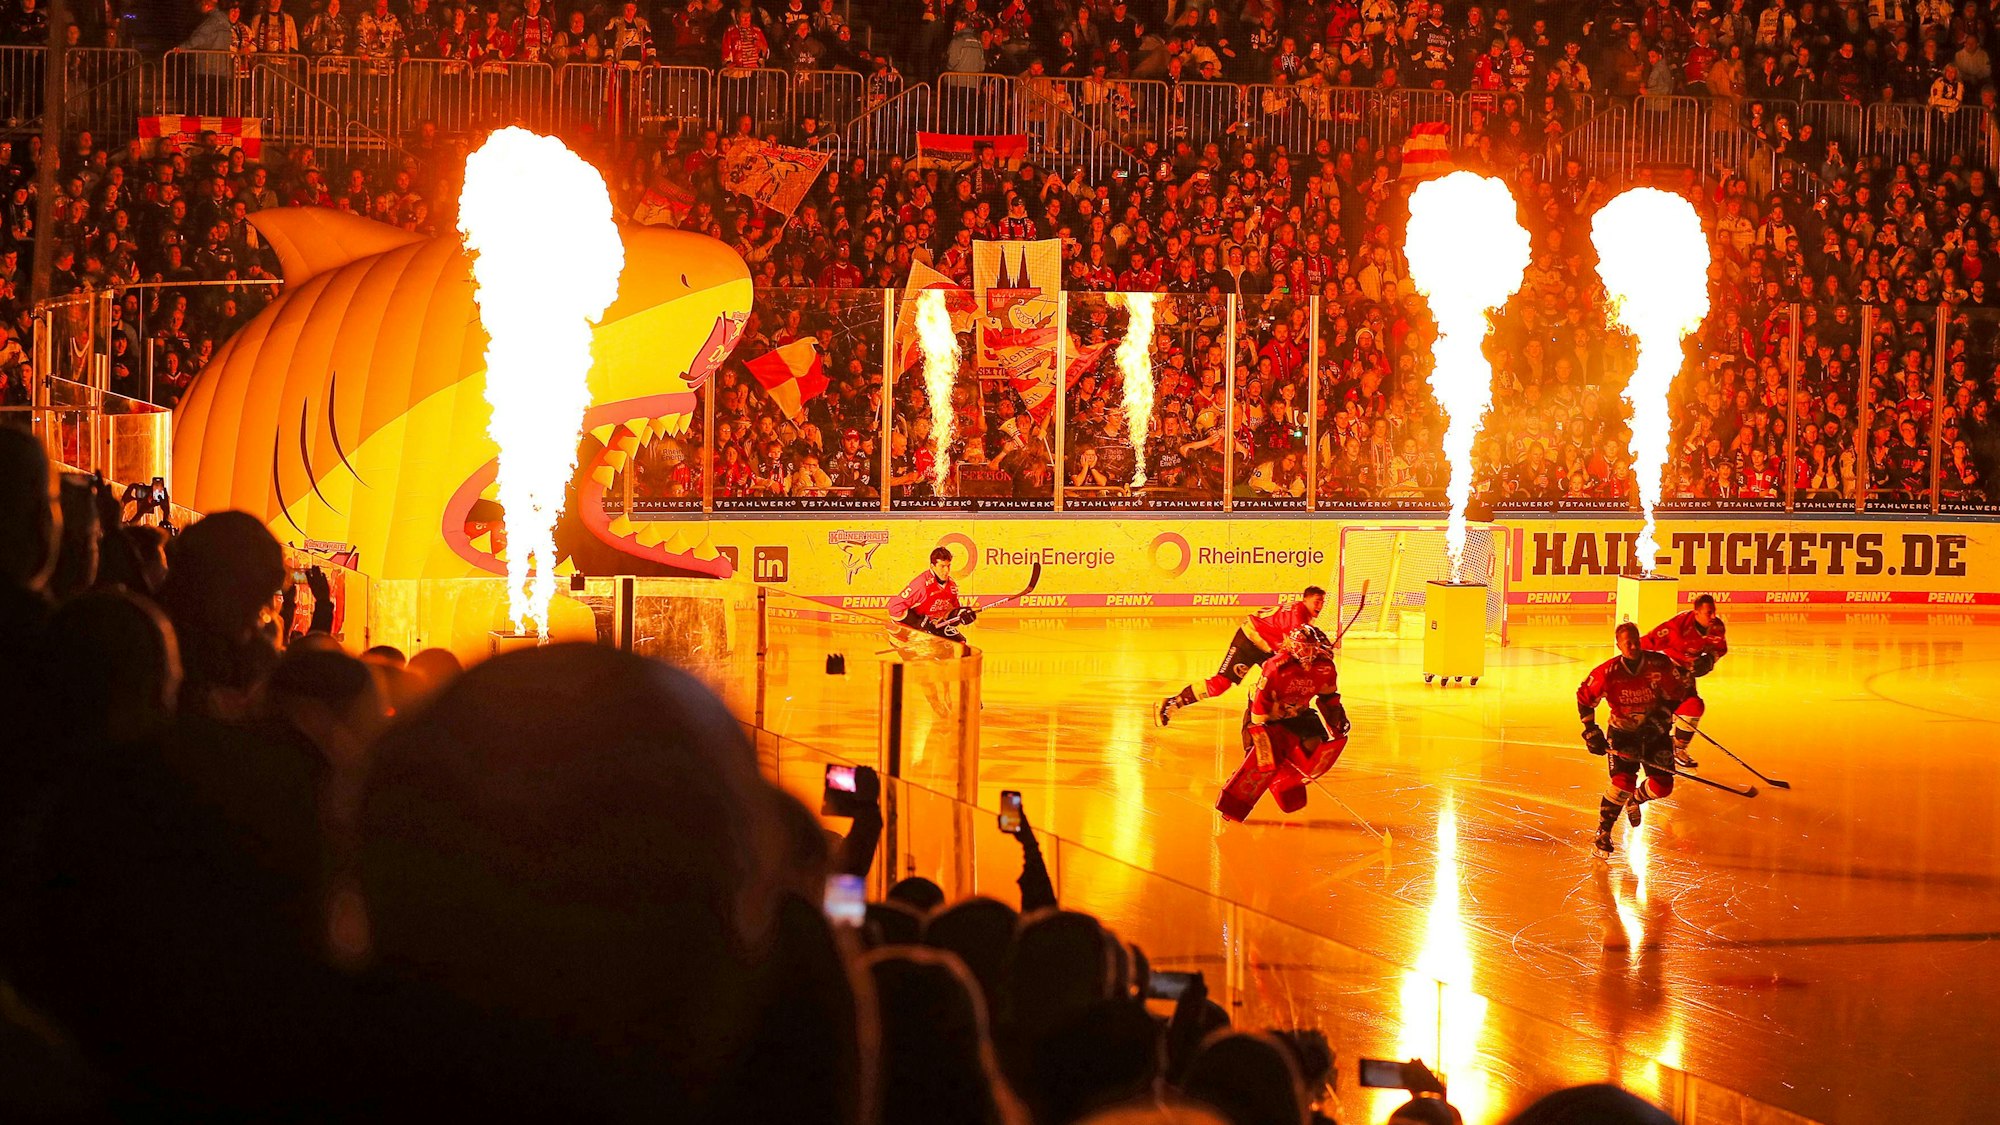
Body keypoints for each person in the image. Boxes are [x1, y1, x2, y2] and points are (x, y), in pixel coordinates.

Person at [1215, 625, 1348, 823]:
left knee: (1315, 744)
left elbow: (1328, 697)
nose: (1312, 654)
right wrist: (1265, 730)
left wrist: (1338, 720)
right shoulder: (1277, 667)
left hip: (1299, 713)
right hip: (1267, 716)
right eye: (1307, 648)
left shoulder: (1325, 667)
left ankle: (1284, 779)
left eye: (1316, 648)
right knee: (1262, 763)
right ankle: (1236, 802)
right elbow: (1259, 710)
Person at [1577, 622, 1684, 857]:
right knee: (1622, 782)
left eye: (1636, 640)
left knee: (1663, 786)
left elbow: (1677, 691)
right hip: (1624, 733)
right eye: (1627, 643)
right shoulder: (1607, 673)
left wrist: (1662, 716)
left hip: (1655, 733)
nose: (1633, 646)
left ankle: (1635, 799)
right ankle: (1603, 833)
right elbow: (1584, 697)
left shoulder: (1659, 664)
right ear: (1619, 646)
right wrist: (1591, 730)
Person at [1158, 586, 1326, 726]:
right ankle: (1172, 703)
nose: (1320, 605)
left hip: (1266, 646)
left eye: (1322, 602)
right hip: (1249, 639)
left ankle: (1273, 719)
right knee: (1221, 684)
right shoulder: (1298, 615)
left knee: (1282, 679)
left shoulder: (1301, 614)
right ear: (1305, 600)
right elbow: (1296, 649)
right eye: (1316, 601)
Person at [1641, 593, 1727, 768]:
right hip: (1667, 672)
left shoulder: (1717, 627)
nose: (1713, 617)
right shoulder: (1676, 627)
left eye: (1713, 612)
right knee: (1662, 713)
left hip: (1687, 673)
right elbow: (1645, 643)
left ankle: (1678, 748)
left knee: (1694, 706)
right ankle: (1648, 745)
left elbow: (1720, 648)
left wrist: (1710, 659)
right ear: (1696, 613)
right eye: (1708, 613)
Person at [887, 545, 975, 645]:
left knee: (961, 643)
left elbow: (951, 612)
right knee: (927, 653)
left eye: (948, 566)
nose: (946, 570)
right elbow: (894, 607)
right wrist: (920, 622)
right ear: (932, 566)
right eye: (942, 566)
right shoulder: (921, 584)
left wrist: (961, 615)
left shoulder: (952, 586)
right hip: (909, 629)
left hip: (933, 625)